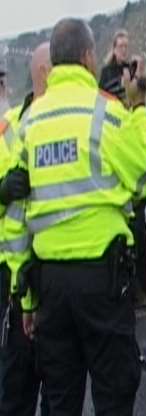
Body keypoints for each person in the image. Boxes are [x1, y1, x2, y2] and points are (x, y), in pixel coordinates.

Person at [16, 18, 146, 415]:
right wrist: (138, 109)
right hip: (103, 282)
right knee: (113, 395)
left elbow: (18, 217)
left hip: (49, 284)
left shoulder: (29, 124)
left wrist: (27, 298)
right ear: (87, 57)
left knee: (61, 398)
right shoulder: (108, 114)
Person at [0, 42, 51, 416]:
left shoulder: (13, 124)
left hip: (53, 271)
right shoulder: (12, 124)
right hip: (13, 274)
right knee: (16, 384)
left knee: (55, 384)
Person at [99, 29, 130, 101]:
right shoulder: (106, 71)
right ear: (114, 49)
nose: (124, 50)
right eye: (121, 46)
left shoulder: (129, 69)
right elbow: (101, 94)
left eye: (126, 46)